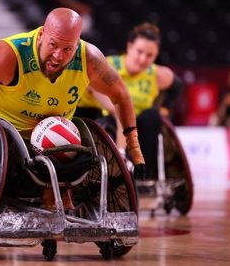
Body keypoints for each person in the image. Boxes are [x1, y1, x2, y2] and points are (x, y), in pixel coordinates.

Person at [0, 8, 146, 196]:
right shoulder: (8, 55)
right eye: (53, 45)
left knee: (86, 157)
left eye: (67, 49)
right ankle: (51, 197)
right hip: (5, 139)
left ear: (78, 43)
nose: (58, 56)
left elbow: (122, 95)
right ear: (41, 35)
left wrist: (134, 148)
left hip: (55, 141)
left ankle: (58, 200)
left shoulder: (89, 58)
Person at [77, 23, 183, 179]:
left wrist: (165, 108)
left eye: (150, 55)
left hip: (135, 124)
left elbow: (177, 86)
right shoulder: (108, 65)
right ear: (129, 47)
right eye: (139, 51)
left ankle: (145, 177)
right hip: (103, 116)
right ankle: (113, 172)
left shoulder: (158, 74)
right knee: (113, 118)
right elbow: (96, 91)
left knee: (153, 116)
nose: (143, 59)